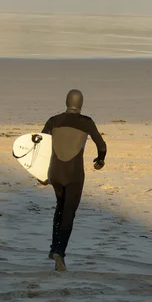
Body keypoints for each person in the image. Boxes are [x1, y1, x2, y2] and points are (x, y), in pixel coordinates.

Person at [41, 89, 107, 271]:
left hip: (54, 172)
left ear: (66, 102)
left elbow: (41, 145)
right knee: (69, 213)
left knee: (60, 207)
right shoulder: (86, 122)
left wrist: (42, 174)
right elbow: (102, 146)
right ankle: (59, 254)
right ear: (81, 104)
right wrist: (100, 160)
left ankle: (53, 247)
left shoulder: (53, 120)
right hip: (74, 174)